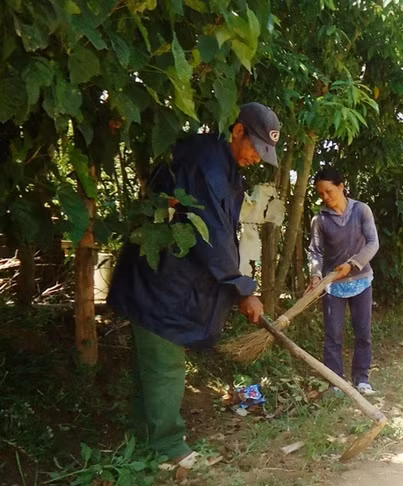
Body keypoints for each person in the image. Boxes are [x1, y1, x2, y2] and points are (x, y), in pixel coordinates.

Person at [108, 102, 281, 468]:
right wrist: (242, 288)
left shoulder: (225, 167)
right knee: (165, 364)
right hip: (161, 284)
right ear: (237, 131)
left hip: (168, 284)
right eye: (256, 148)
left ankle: (144, 445)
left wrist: (238, 286)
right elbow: (213, 236)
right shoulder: (205, 164)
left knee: (151, 368)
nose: (257, 158)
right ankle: (168, 448)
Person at [308, 167, 380, 395]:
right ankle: (335, 382)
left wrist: (352, 264)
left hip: (361, 282)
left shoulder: (361, 211)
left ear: (341, 186)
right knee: (333, 336)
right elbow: (315, 251)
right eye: (321, 194)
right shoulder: (319, 220)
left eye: (329, 191)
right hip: (333, 286)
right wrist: (316, 275)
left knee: (363, 332)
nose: (326, 198)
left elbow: (373, 243)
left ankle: (362, 378)